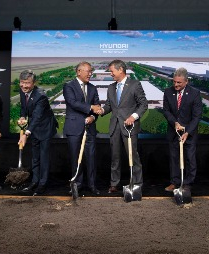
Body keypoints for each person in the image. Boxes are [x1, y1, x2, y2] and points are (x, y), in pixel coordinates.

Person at [97, 60, 147, 194]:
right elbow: (109, 105)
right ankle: (114, 184)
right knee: (115, 157)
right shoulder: (111, 87)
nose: (110, 73)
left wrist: (133, 117)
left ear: (120, 70)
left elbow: (143, 104)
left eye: (112, 71)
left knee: (133, 156)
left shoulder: (135, 85)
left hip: (129, 127)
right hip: (114, 127)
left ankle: (137, 184)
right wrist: (102, 111)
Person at [62, 62, 101, 195]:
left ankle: (92, 185)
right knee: (75, 158)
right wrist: (90, 108)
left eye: (91, 71)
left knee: (91, 157)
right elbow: (72, 103)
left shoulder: (93, 88)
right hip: (74, 128)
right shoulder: (68, 86)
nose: (90, 74)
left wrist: (93, 117)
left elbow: (97, 106)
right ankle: (77, 185)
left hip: (90, 128)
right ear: (79, 71)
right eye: (88, 71)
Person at [18, 70, 58, 195]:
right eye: (22, 82)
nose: (24, 86)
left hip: (45, 128)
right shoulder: (22, 91)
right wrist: (23, 116)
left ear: (34, 83)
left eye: (27, 83)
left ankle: (42, 184)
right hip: (34, 129)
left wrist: (26, 134)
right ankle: (34, 181)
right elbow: (24, 107)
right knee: (35, 157)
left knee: (43, 157)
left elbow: (37, 117)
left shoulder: (41, 96)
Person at [163, 67, 203, 192]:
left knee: (190, 158)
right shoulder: (168, 91)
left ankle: (187, 183)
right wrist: (174, 123)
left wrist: (187, 132)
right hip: (173, 131)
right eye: (174, 82)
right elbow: (166, 111)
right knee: (174, 158)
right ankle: (175, 182)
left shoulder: (195, 93)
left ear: (186, 82)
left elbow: (197, 116)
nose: (175, 84)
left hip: (189, 133)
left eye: (179, 82)